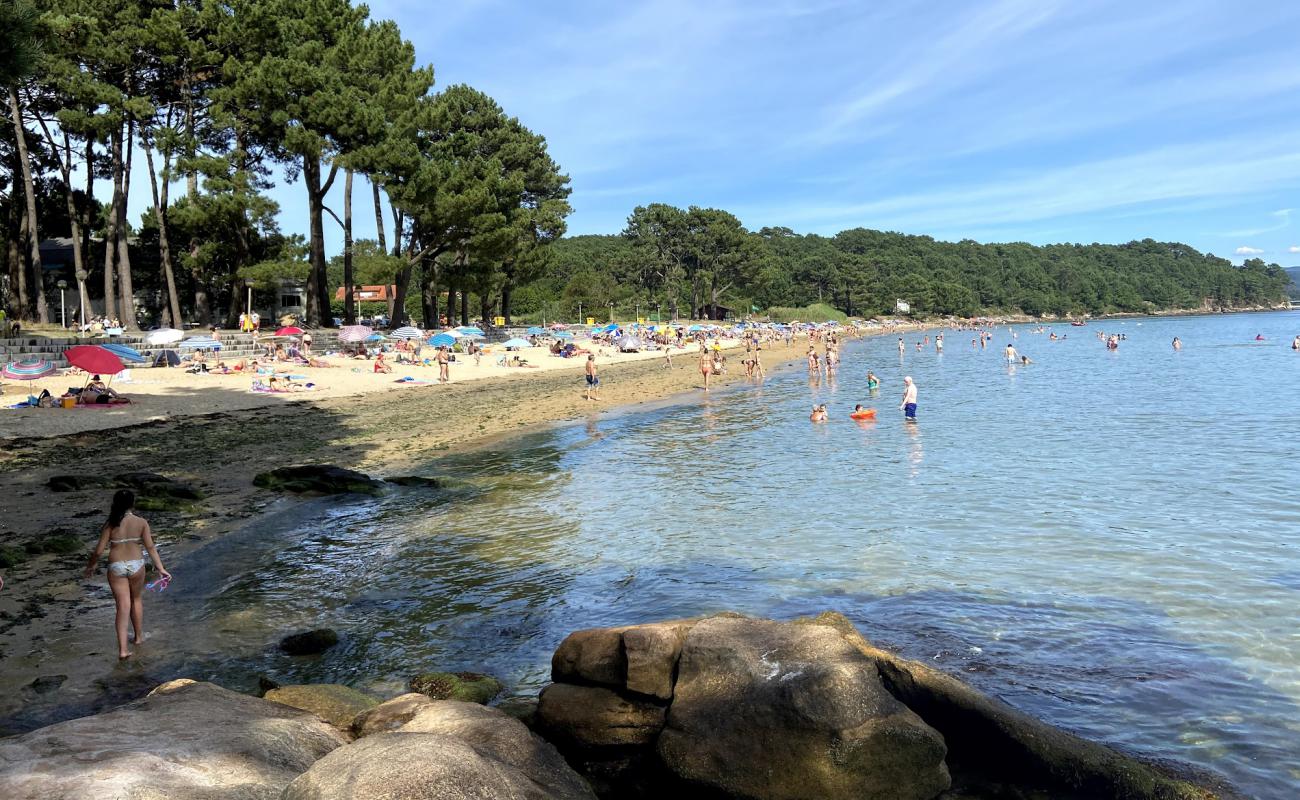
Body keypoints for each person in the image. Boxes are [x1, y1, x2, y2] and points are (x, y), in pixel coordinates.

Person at [83, 490, 170, 660]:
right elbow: (150, 547)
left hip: (116, 566)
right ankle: (138, 638)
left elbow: (99, 551)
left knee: (122, 606)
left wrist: (91, 567)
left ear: (115, 503)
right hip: (137, 564)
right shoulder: (141, 522)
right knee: (136, 600)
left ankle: (123, 650)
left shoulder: (111, 523)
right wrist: (161, 568)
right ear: (133, 503)